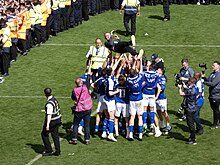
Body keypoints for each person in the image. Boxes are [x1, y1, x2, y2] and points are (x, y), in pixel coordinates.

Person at [69, 71, 93, 145]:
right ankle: (87, 139)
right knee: (87, 125)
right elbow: (88, 78)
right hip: (88, 108)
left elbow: (73, 98)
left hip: (79, 109)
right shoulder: (86, 87)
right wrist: (89, 69)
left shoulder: (74, 90)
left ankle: (74, 139)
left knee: (76, 124)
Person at [41, 87, 62, 156]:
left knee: (44, 134)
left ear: (45, 94)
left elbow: (49, 115)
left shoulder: (49, 104)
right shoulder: (54, 99)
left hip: (52, 121)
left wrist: (47, 125)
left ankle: (49, 150)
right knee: (55, 135)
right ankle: (58, 151)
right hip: (57, 119)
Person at [178, 77, 198, 145]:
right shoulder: (194, 87)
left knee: (190, 124)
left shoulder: (191, 90)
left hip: (190, 108)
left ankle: (193, 138)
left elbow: (182, 94)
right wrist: (184, 85)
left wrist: (179, 88)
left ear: (190, 82)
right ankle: (192, 137)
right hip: (194, 107)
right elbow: (188, 89)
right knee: (191, 123)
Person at [203, 61, 220, 129]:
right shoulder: (212, 73)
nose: (212, 66)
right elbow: (209, 81)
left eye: (214, 65)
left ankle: (215, 124)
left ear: (219, 66)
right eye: (212, 65)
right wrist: (204, 78)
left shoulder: (219, 74)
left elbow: (213, 84)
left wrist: (203, 82)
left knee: (215, 110)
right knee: (215, 109)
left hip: (216, 95)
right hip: (212, 95)